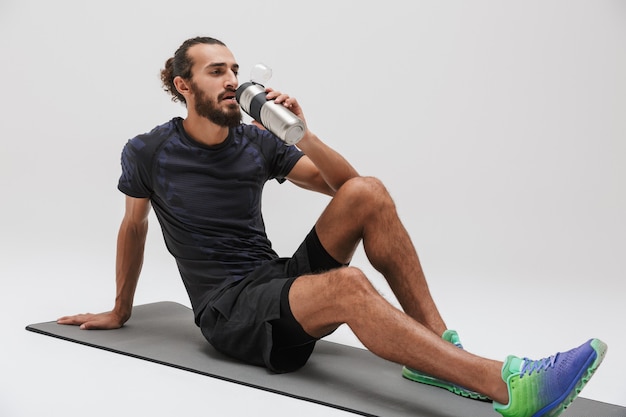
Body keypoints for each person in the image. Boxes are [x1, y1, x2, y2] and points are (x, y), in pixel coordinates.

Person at [58, 36, 607, 417]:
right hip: (230, 312)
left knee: (370, 192)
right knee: (348, 285)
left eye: (234, 68)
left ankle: (438, 353)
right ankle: (505, 383)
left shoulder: (255, 141)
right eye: (217, 71)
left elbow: (348, 187)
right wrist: (120, 309)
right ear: (184, 85)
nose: (232, 79)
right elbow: (133, 228)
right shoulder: (149, 150)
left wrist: (301, 133)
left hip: (275, 282)